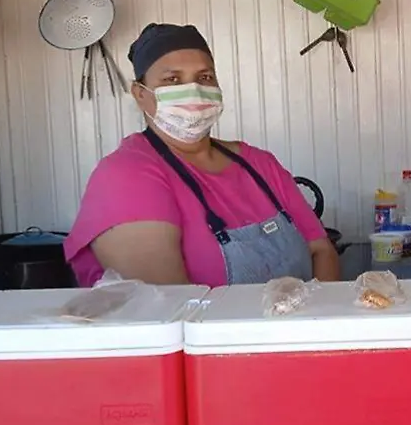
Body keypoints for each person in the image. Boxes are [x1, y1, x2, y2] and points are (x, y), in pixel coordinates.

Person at [64, 23, 340, 287]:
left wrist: (317, 324)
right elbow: (169, 305)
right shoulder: (125, 177)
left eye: (204, 77)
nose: (194, 90)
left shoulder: (259, 163)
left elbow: (321, 250)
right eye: (173, 80)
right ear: (141, 94)